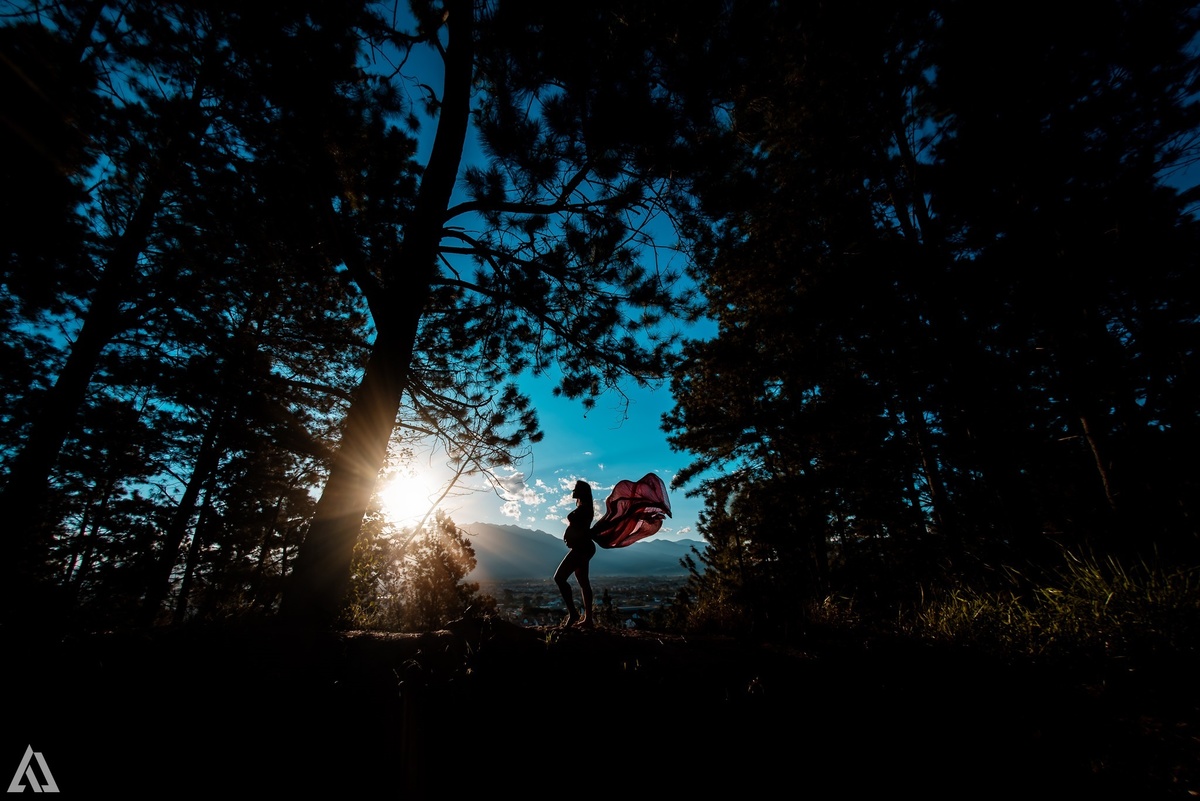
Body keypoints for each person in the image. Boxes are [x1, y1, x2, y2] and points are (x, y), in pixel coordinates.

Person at [553, 479, 595, 628]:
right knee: (583, 581)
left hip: (582, 549)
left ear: (582, 492)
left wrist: (573, 539)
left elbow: (583, 531)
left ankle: (574, 614)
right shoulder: (584, 508)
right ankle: (588, 619)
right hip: (581, 548)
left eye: (575, 489)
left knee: (559, 577)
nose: (573, 491)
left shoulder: (585, 510)